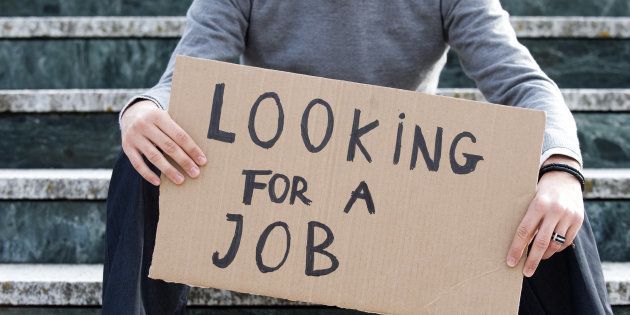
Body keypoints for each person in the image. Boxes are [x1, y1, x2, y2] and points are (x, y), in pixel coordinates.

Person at [102, 1, 612, 314]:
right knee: (143, 160)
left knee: (552, 197)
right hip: (280, 196)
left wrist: (562, 168)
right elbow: (185, 76)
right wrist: (143, 109)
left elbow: (524, 84)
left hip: (397, 199)